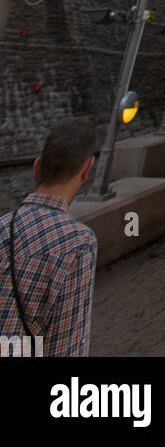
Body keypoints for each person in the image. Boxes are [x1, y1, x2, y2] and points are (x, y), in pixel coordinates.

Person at [0, 118, 99, 357]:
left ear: (36, 168)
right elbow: (67, 345)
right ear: (86, 171)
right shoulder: (78, 243)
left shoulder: (3, 226)